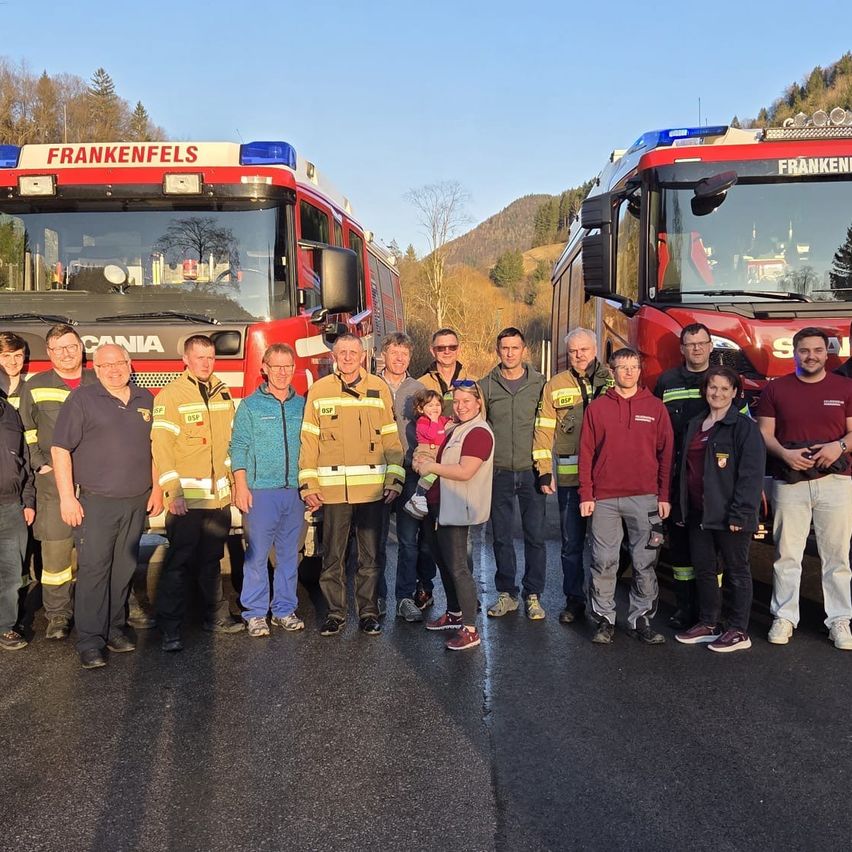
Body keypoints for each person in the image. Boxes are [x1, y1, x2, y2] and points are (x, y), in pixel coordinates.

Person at [50, 344, 162, 669]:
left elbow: (156, 448)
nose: (114, 370)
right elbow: (60, 450)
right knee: (95, 570)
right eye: (105, 365)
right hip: (96, 503)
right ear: (96, 369)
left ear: (130, 364)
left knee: (124, 569)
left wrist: (156, 489)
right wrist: (67, 497)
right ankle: (90, 640)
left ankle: (114, 629)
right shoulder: (82, 400)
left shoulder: (146, 399)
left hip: (136, 500)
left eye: (119, 363)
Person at [298, 333, 405, 636]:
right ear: (334, 357)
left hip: (372, 491)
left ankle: (368, 613)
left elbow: (391, 439)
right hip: (333, 493)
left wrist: (395, 479)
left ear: (363, 357)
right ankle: (335, 613)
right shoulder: (319, 390)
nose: (347, 358)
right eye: (342, 352)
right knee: (333, 557)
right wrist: (309, 483)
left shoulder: (378, 388)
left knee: (369, 558)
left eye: (353, 353)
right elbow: (309, 440)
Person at [756, 327, 852, 650]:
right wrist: (785, 454)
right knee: (787, 554)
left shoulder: (845, 387)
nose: (811, 356)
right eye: (804, 350)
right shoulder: (776, 389)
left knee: (837, 556)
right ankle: (784, 617)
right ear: (794, 353)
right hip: (790, 481)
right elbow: (765, 434)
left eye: (817, 350)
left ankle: (839, 620)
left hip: (836, 482)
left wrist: (838, 447)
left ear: (827, 353)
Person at [152, 335, 244, 652]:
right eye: (200, 357)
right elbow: (162, 449)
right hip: (186, 501)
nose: (206, 363)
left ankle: (215, 616)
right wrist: (173, 493)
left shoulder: (222, 391)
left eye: (211, 357)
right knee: (178, 563)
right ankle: (170, 629)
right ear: (186, 360)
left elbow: (229, 444)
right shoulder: (171, 395)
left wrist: (233, 484)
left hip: (217, 499)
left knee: (211, 561)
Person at [579, 348, 674, 645]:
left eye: (634, 366)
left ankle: (640, 618)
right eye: (623, 367)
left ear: (640, 370)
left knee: (645, 562)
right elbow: (586, 453)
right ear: (612, 371)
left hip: (645, 498)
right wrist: (586, 493)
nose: (629, 372)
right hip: (605, 499)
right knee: (604, 560)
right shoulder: (597, 408)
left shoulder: (656, 408)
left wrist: (664, 495)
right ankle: (604, 618)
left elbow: (666, 455)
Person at [674, 367, 765, 652]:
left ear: (735, 392)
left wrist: (741, 513)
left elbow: (751, 474)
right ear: (705, 390)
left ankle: (738, 630)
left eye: (725, 389)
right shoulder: (695, 423)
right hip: (699, 512)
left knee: (737, 571)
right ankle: (709, 623)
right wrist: (682, 508)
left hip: (730, 514)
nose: (718, 393)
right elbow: (685, 469)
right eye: (713, 387)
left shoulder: (744, 428)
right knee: (704, 569)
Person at [18, 323, 97, 639]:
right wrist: (41, 464)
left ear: (81, 349)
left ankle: (100, 610)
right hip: (52, 484)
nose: (66, 353)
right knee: (56, 554)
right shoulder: (35, 385)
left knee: (99, 551)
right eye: (59, 348)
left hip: (95, 482)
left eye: (72, 346)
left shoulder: (98, 380)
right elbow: (26, 431)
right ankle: (58, 616)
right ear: (49, 353)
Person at [533, 327, 612, 624]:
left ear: (596, 350)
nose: (579, 356)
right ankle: (574, 601)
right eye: (573, 351)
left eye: (584, 350)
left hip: (607, 481)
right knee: (571, 546)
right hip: (570, 481)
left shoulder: (612, 379)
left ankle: (604, 605)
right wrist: (544, 471)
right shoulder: (555, 385)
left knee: (606, 549)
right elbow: (543, 430)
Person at [230, 343, 306, 637]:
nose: (283, 372)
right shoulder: (250, 406)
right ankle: (255, 613)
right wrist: (241, 485)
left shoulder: (303, 405)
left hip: (294, 491)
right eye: (277, 366)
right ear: (265, 368)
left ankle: (284, 610)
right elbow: (238, 446)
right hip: (260, 491)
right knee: (257, 556)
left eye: (288, 366)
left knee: (289, 556)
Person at [417, 381, 494, 650]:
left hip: (459, 508)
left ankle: (470, 629)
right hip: (441, 505)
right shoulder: (458, 428)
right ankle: (454, 613)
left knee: (459, 568)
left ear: (479, 403)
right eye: (457, 401)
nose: (460, 406)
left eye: (466, 401)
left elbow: (465, 471)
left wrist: (430, 465)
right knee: (444, 562)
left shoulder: (478, 432)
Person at [480, 327, 547, 620]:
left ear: (524, 350)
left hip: (531, 470)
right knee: (501, 537)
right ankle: (507, 594)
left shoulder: (540, 384)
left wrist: (546, 469)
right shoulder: (486, 386)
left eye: (515, 348)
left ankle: (533, 595)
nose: (509, 353)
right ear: (498, 351)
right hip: (499, 472)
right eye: (504, 348)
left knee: (535, 537)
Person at [653, 322, 715, 629]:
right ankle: (684, 608)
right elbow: (655, 428)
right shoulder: (667, 381)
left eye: (701, 343)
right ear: (682, 349)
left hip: (712, 478)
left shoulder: (722, 380)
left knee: (711, 550)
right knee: (678, 547)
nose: (697, 349)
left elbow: (742, 429)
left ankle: (711, 610)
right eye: (691, 344)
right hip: (677, 477)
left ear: (711, 346)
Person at [374, 332, 429, 623]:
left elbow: (431, 431)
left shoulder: (418, 389)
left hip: (409, 473)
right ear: (383, 355)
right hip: (377, 472)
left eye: (404, 354)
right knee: (375, 540)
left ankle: (404, 598)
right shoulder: (370, 385)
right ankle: (377, 596)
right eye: (394, 352)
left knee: (408, 541)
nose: (399, 358)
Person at [0, 368, 35, 651]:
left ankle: (5, 626)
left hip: (11, 505)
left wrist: (28, 499)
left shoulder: (10, 413)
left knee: (11, 573)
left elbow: (23, 458)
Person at [403, 388, 453, 518]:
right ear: (420, 409)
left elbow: (450, 424)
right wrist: (435, 421)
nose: (435, 408)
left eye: (437, 404)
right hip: (425, 453)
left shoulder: (441, 420)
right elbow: (431, 435)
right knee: (431, 473)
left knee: (438, 474)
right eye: (430, 405)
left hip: (438, 454)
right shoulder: (422, 422)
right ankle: (418, 495)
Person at [418, 328, 475, 417]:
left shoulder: (474, 383)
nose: (447, 352)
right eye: (441, 348)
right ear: (433, 351)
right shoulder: (420, 385)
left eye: (452, 347)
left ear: (458, 349)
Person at [0, 332, 28, 407]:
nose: (13, 362)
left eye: (17, 356)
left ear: (24, 357)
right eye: (6, 356)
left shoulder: (32, 391)